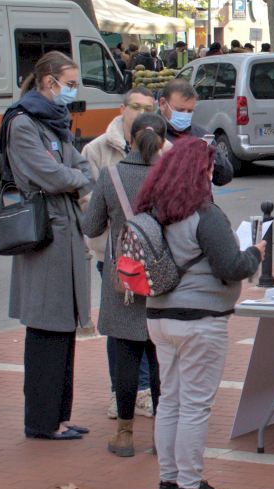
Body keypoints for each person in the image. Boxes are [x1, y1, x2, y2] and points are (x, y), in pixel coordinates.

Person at [140, 137, 264, 489]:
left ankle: (168, 480)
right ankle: (190, 486)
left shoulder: (154, 210)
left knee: (170, 401)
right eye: (210, 169)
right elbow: (232, 266)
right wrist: (254, 253)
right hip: (199, 321)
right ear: (201, 172)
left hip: (159, 316)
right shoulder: (205, 215)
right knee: (195, 405)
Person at [0, 51, 94, 441]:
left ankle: (60, 416)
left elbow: (81, 167)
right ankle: (42, 421)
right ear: (48, 81)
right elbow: (52, 175)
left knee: (63, 330)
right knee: (46, 330)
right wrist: (73, 177)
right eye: (69, 84)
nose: (72, 91)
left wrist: (72, 176)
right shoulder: (23, 123)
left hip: (63, 232)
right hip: (45, 235)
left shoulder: (53, 121)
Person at [80, 113, 170, 457]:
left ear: (129, 139)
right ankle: (162, 437)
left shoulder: (111, 175)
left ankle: (124, 434)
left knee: (126, 357)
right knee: (161, 359)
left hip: (124, 280)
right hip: (162, 279)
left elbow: (91, 227)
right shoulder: (169, 176)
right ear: (161, 140)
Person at [159, 79, 233, 186]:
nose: (185, 115)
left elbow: (225, 176)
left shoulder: (201, 135)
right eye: (180, 110)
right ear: (163, 104)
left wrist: (210, 155)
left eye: (190, 111)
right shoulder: (153, 135)